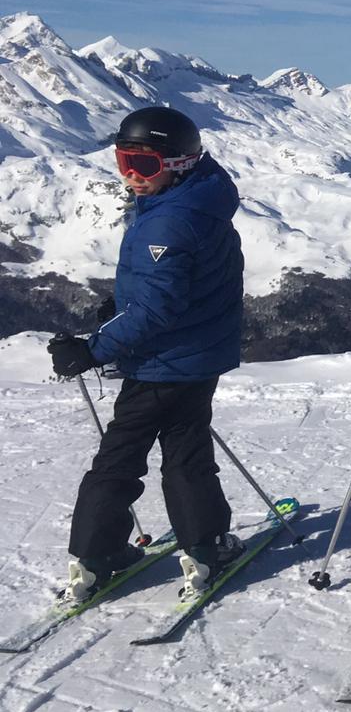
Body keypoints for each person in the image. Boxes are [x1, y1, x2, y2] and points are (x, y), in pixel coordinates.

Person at [48, 106, 244, 602]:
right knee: (186, 453)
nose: (131, 176)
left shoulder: (169, 221)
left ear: (178, 164)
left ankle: (97, 555)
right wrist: (125, 306)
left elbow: (157, 310)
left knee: (120, 458)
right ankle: (205, 546)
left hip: (163, 362)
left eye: (144, 164)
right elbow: (180, 287)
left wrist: (92, 349)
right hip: (196, 357)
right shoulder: (196, 199)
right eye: (123, 161)